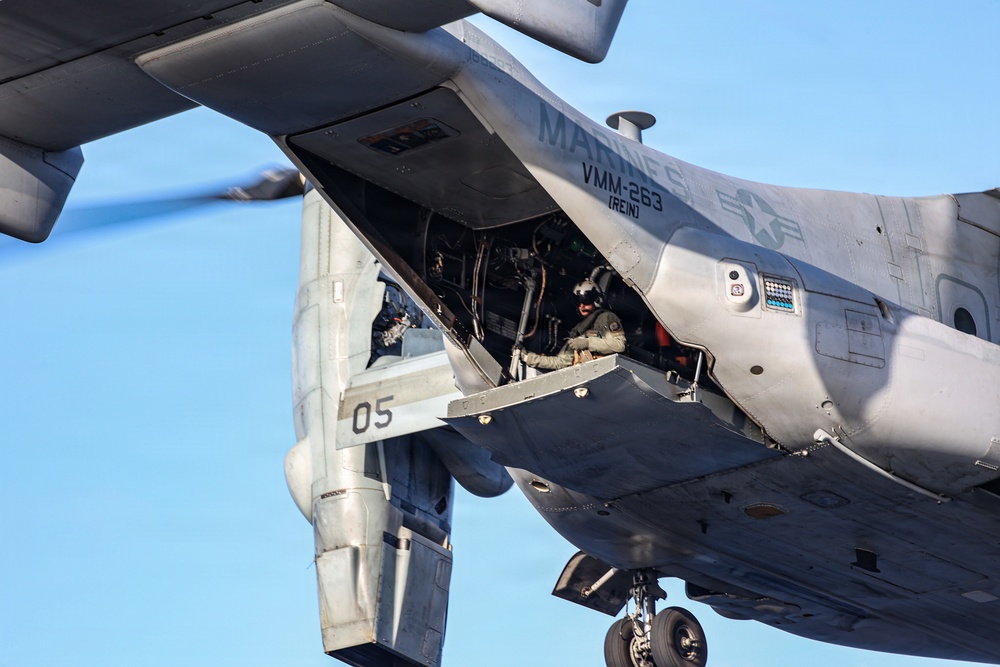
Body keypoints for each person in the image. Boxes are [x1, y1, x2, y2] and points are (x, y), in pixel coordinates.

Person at [521, 280, 626, 370]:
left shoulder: (606, 317)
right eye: (578, 302)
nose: (581, 306)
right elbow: (561, 362)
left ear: (597, 300)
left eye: (585, 300)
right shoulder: (578, 329)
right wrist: (528, 358)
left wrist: (587, 343)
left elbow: (619, 345)